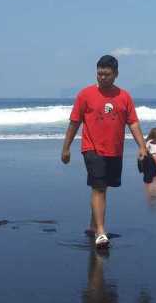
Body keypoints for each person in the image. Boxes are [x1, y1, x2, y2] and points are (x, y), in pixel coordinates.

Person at [61, 55, 147, 249]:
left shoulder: (124, 97)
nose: (102, 78)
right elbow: (75, 122)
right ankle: (101, 231)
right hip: (92, 148)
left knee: (103, 186)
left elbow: (132, 122)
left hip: (115, 149)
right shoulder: (85, 94)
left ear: (116, 74)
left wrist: (142, 147)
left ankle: (93, 225)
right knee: (98, 187)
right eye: (99, 74)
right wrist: (66, 148)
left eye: (106, 74)